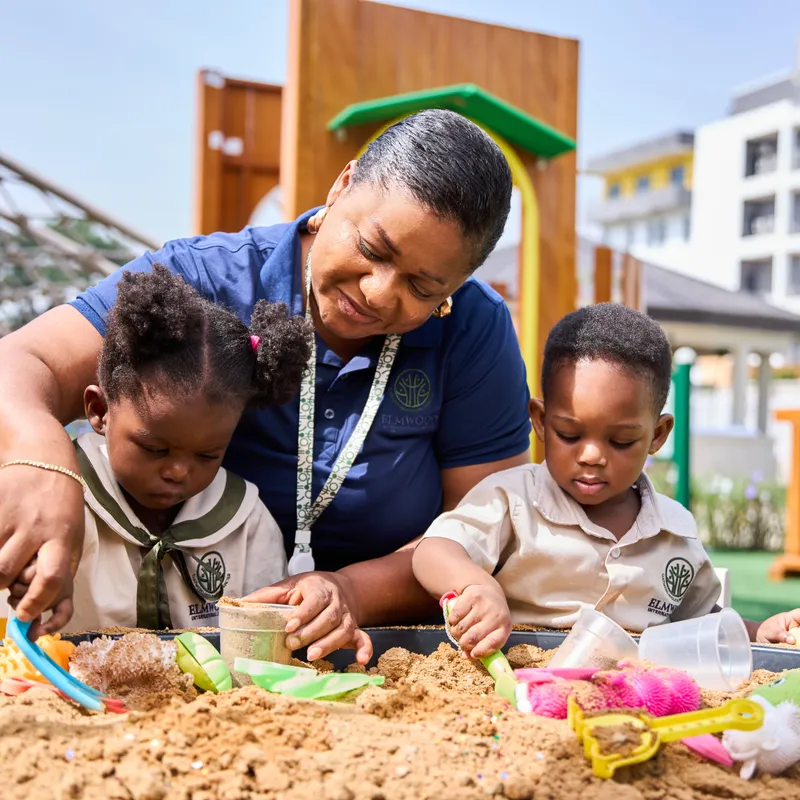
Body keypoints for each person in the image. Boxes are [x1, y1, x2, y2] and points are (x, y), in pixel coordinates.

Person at [0, 110, 531, 659]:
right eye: (373, 249)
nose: (377, 292)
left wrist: (351, 591)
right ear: (342, 186)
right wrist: (41, 462)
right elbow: (20, 363)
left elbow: (478, 527)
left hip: (374, 648)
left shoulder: (473, 329)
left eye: (422, 287)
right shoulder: (206, 279)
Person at [412, 304, 800, 659]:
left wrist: (758, 631)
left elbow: (700, 620)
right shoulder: (512, 499)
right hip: (519, 681)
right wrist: (475, 585)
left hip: (630, 696)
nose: (592, 455)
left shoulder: (675, 531)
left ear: (658, 435)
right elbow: (434, 552)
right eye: (569, 434)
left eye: (620, 441)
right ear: (540, 421)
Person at [7, 265, 311, 632]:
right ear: (99, 411)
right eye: (154, 449)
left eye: (207, 455)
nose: (178, 472)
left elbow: (262, 645)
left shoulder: (245, 522)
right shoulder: (56, 506)